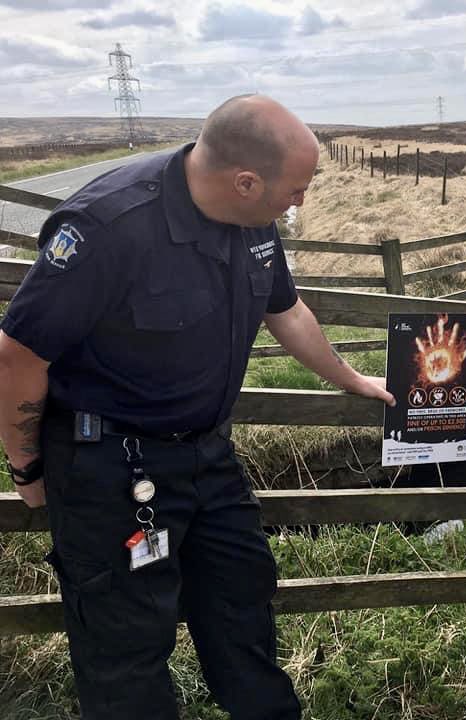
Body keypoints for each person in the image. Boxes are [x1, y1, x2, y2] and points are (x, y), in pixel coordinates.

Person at [0, 94, 395, 720]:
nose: (301, 202)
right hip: (108, 467)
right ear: (245, 181)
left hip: (207, 455)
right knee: (126, 650)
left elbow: (285, 310)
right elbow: (17, 356)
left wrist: (350, 377)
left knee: (243, 605)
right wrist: (26, 470)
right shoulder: (106, 227)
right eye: (297, 189)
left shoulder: (253, 220)